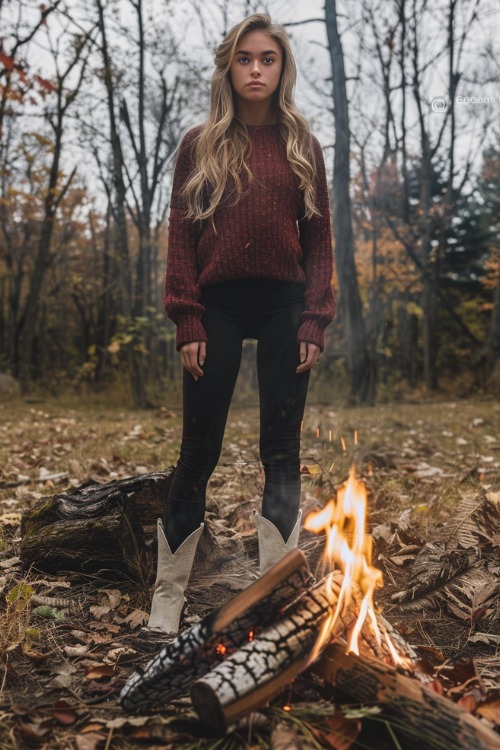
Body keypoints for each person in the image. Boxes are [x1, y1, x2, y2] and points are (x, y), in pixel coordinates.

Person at [148, 13, 336, 634]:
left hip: (285, 304)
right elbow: (181, 239)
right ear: (229, 68)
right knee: (197, 452)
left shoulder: (301, 143)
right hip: (218, 307)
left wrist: (315, 319)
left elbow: (319, 242)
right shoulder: (199, 144)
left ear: (282, 69)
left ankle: (273, 597)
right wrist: (187, 316)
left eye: (268, 59)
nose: (256, 69)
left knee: (281, 453)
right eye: (245, 59)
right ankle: (167, 601)